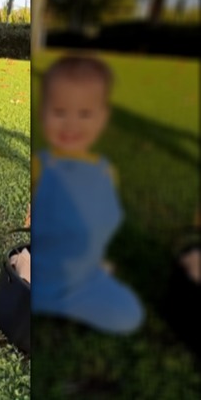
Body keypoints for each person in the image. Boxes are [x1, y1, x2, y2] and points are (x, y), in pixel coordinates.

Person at [31, 55, 143, 334]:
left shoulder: (106, 171)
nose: (71, 125)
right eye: (59, 112)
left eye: (84, 114)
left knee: (129, 315)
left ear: (102, 118)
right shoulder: (40, 166)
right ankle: (42, 301)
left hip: (83, 278)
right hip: (41, 273)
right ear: (43, 112)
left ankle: (73, 300)